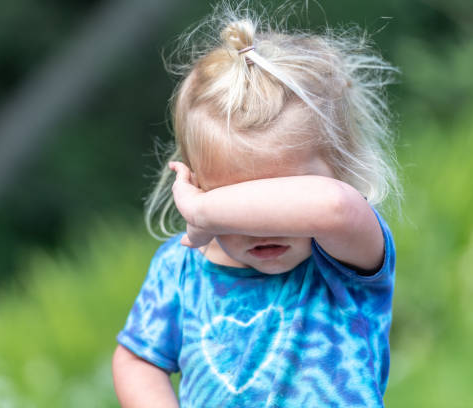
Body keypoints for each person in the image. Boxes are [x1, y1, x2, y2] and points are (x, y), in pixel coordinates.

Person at [112, 3, 401, 407]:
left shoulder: (341, 262)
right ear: (194, 183)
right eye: (229, 199)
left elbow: (334, 206)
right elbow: (137, 360)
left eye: (278, 199)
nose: (261, 225)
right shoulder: (180, 270)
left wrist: (208, 212)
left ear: (338, 170)